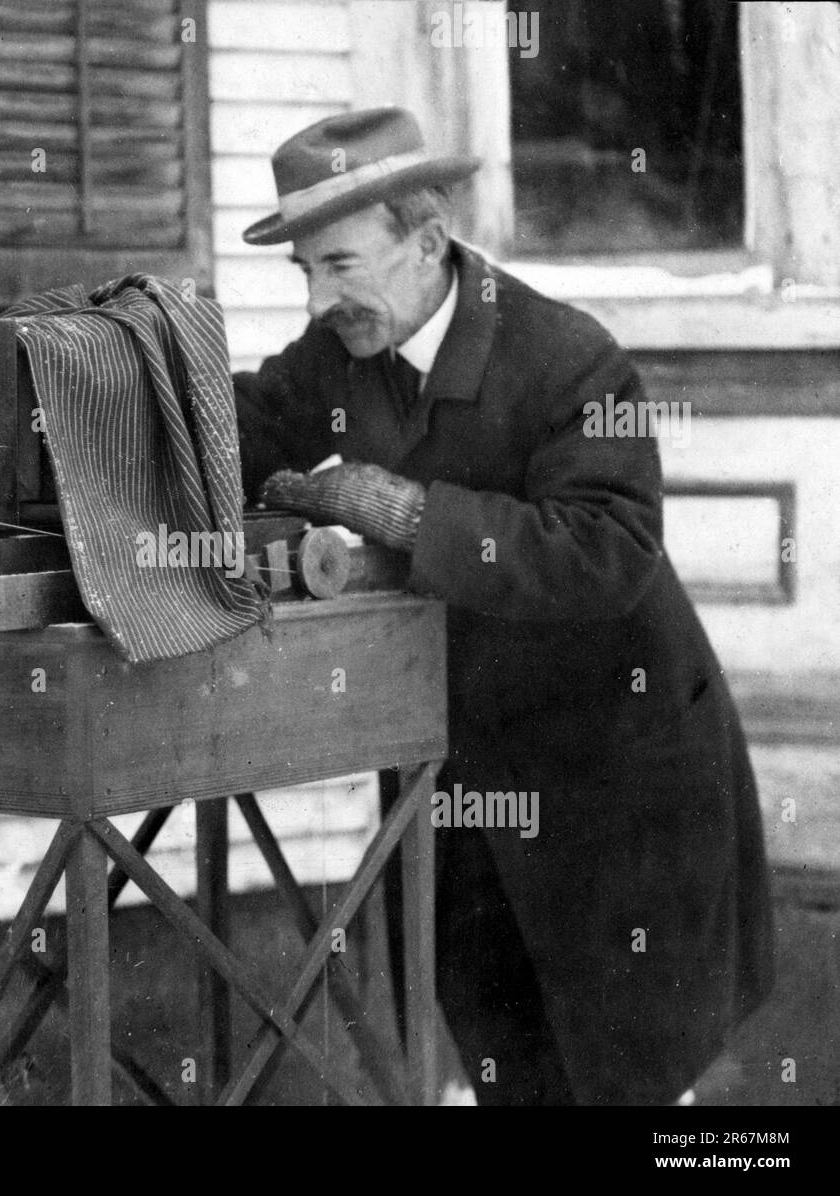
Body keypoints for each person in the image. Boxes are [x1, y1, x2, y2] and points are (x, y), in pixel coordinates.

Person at [232, 107, 774, 1105]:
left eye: (339, 264)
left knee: (628, 1086)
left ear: (426, 241)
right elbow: (234, 434)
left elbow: (605, 549)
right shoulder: (338, 351)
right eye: (302, 270)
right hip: (465, 782)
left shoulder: (568, 359)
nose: (316, 298)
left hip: (621, 784)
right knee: (498, 1071)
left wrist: (400, 508)